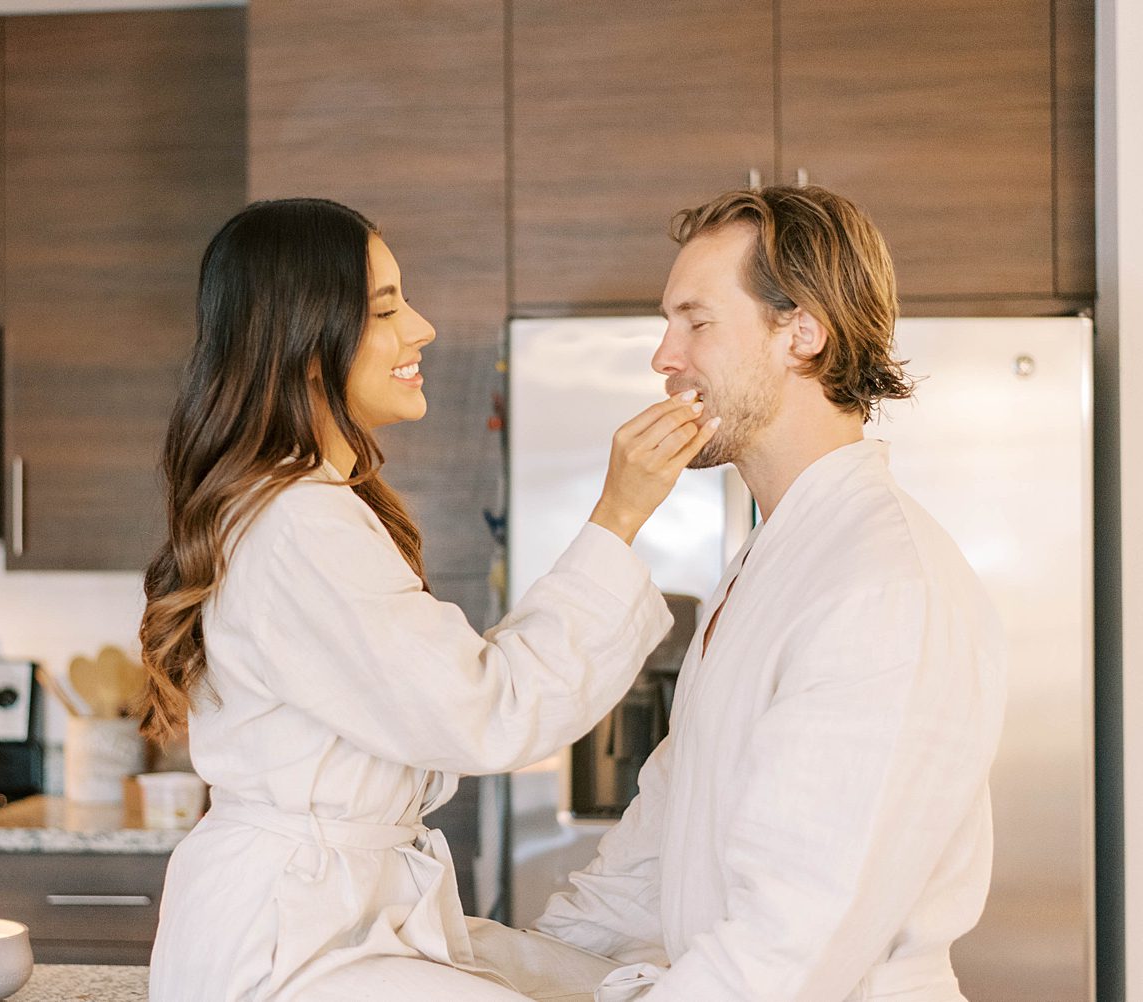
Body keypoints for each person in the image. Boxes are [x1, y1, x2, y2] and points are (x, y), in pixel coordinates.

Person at [137, 197, 719, 1001]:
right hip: (292, 937)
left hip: (320, 912)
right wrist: (618, 515)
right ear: (308, 343)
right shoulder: (299, 521)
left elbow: (452, 694)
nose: (422, 328)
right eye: (385, 308)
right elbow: (487, 710)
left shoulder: (300, 507)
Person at [493, 185, 1006, 1002]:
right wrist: (516, 962)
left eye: (696, 322)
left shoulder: (881, 586)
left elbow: (792, 943)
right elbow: (664, 831)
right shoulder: (769, 558)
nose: (664, 357)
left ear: (800, 334)